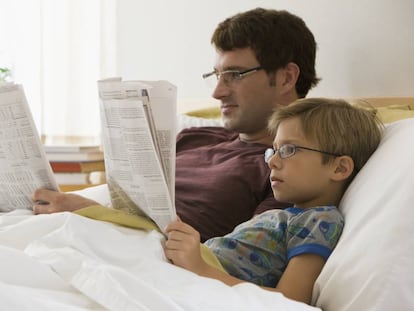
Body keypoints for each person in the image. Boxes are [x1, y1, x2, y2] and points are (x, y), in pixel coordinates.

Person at [32, 8, 320, 242]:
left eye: (234, 74)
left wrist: (97, 214)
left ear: (286, 78)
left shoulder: (289, 168)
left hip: (140, 255)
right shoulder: (193, 137)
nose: (217, 92)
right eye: (216, 75)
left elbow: (243, 256)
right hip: (80, 230)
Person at [165, 98, 384, 304]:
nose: (273, 162)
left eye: (289, 150)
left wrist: (201, 268)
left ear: (340, 168)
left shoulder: (320, 221)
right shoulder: (283, 216)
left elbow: (290, 300)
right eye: (274, 150)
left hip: (201, 279)